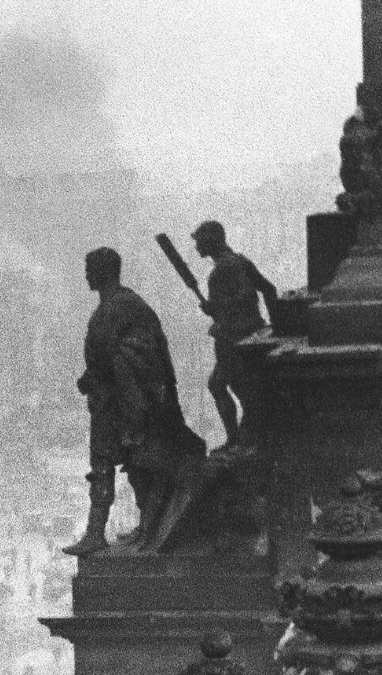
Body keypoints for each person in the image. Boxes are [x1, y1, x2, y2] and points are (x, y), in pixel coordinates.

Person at [68, 247, 205, 556]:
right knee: (135, 463)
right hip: (124, 399)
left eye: (90, 269)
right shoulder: (127, 304)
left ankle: (96, 533)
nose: (86, 275)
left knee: (108, 464)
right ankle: (145, 528)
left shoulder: (117, 307)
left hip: (120, 401)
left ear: (104, 272)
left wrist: (93, 379)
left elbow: (113, 356)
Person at [191, 220, 279, 449]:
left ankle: (238, 440)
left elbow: (247, 294)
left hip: (234, 340)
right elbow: (269, 290)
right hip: (247, 336)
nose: (197, 246)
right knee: (228, 387)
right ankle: (241, 438)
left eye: (199, 241)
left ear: (212, 240)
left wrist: (217, 307)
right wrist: (274, 328)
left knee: (230, 389)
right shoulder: (239, 261)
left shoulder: (224, 268)